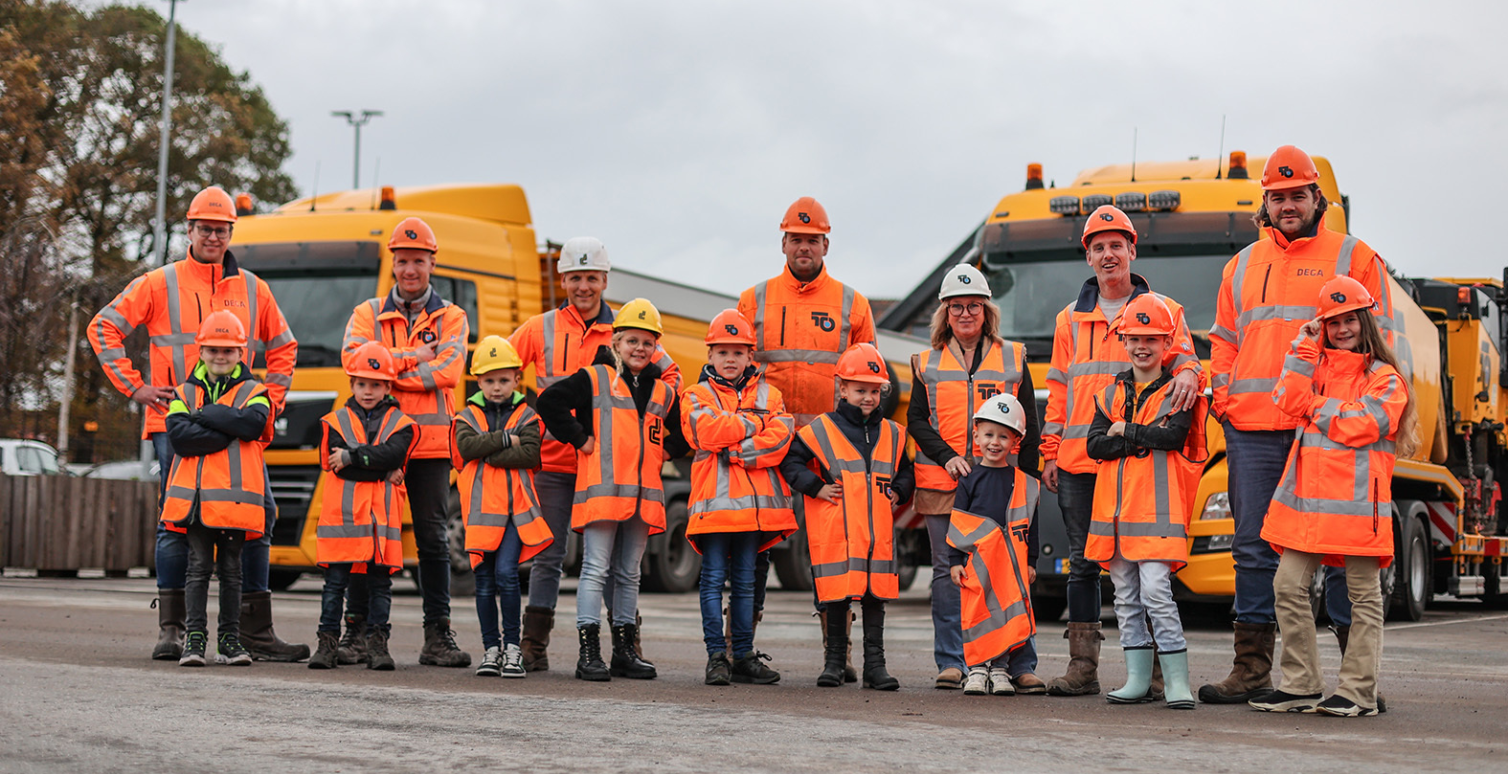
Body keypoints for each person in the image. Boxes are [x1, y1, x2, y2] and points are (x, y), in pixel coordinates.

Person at [1203, 146, 1397, 705]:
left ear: (1318, 198)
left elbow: (1376, 344)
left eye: (1298, 195)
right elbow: (1224, 339)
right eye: (1277, 196)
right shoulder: (1240, 265)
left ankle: (1353, 682)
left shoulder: (1355, 256)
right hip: (1254, 426)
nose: (1288, 205)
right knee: (1254, 547)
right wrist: (1223, 394)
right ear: (1266, 202)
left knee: (1339, 547)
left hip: (1325, 429)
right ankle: (1253, 669)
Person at [88, 186, 306, 663]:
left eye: (221, 229)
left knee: (257, 517)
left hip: (241, 427)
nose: (212, 235)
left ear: (231, 233)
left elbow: (285, 346)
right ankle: (174, 629)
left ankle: (252, 631)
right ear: (189, 230)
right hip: (177, 424)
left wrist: (271, 400)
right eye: (204, 228)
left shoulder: (254, 288)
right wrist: (136, 387)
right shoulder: (158, 282)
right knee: (176, 524)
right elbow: (102, 326)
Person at [1041, 204, 1202, 697]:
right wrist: (1049, 450)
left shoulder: (1165, 309)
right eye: (1098, 247)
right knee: (1083, 564)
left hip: (1142, 465)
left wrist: (1194, 371)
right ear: (1087, 256)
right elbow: (1059, 386)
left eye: (1116, 245)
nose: (1108, 255)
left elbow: (1188, 364)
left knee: (1149, 563)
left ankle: (1156, 675)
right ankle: (1083, 667)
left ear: (1132, 249)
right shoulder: (1069, 319)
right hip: (1080, 460)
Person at [509, 237, 680, 671]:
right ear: (562, 279)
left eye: (591, 278)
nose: (583, 286)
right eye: (575, 277)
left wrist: (651, 436)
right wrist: (535, 426)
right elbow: (503, 369)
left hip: (610, 471)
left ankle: (626, 644)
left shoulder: (626, 329)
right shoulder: (540, 327)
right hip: (556, 461)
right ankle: (535, 645)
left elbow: (671, 381)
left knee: (612, 562)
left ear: (604, 280)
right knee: (549, 555)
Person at [1249, 277, 1412, 717]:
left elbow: (1362, 423)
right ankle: (1301, 685)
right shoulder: (1315, 365)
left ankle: (1359, 692)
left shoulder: (1386, 379)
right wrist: (1302, 350)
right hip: (1307, 506)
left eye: (1349, 320)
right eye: (1332, 322)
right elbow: (1285, 398)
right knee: (1286, 587)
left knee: (1363, 596)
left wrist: (1315, 407)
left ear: (1365, 321)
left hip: (1358, 510)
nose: (1342, 329)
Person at [738, 196, 879, 682]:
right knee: (756, 546)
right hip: (767, 442)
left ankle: (835, 655)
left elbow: (868, 381)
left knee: (829, 549)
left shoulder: (851, 303)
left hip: (826, 448)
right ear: (783, 242)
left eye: (812, 240)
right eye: (796, 239)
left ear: (825, 244)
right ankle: (743, 649)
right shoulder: (753, 299)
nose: (804, 247)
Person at [340, 217, 471, 668]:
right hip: (375, 443)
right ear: (392, 263)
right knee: (366, 538)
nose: (410, 269)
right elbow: (353, 363)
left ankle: (437, 636)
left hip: (431, 448)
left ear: (432, 262)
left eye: (418, 261)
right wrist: (416, 356)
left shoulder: (453, 316)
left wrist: (385, 365)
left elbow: (449, 372)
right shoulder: (366, 312)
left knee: (432, 540)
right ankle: (357, 634)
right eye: (402, 261)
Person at [536, 298, 689, 682]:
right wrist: (579, 438)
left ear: (656, 347)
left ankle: (624, 651)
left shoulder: (661, 391)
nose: (640, 349)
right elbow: (549, 401)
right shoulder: (594, 377)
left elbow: (685, 433)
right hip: (603, 494)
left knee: (629, 574)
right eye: (632, 341)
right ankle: (589, 653)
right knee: (595, 570)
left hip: (643, 497)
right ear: (616, 341)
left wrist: (664, 453)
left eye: (648, 342)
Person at [908, 263, 1040, 690]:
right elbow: (916, 420)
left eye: (974, 306)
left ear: (987, 311)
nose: (965, 314)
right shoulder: (925, 362)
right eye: (957, 307)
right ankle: (954, 661)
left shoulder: (1013, 356)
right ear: (945, 312)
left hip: (1000, 482)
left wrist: (1030, 480)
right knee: (951, 573)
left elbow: (1029, 423)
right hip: (943, 486)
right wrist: (946, 456)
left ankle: (1019, 664)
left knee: (1010, 569)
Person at [1084, 294, 1207, 710]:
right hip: (1115, 518)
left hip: (1157, 512)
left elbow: (1173, 438)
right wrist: (1136, 436)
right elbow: (1095, 446)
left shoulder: (1179, 390)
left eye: (1152, 339)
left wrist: (1126, 430)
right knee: (1124, 596)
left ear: (1168, 342)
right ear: (1123, 339)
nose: (1142, 346)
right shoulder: (1109, 392)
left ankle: (1176, 683)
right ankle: (1138, 678)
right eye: (1135, 338)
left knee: (1156, 591)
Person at [780, 343, 912, 690]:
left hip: (877, 536)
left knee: (874, 600)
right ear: (842, 388)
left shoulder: (895, 433)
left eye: (873, 391)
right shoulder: (821, 430)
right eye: (860, 390)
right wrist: (815, 487)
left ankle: (875, 666)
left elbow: (907, 472)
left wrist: (900, 490)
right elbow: (790, 462)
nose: (868, 397)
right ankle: (835, 663)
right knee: (836, 598)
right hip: (837, 534)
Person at [682, 309, 798, 686]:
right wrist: (755, 422)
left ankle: (743, 654)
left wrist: (735, 451)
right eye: (722, 352)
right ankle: (717, 655)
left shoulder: (771, 394)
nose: (730, 359)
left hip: (756, 513)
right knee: (713, 581)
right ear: (710, 356)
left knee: (746, 583)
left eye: (738, 352)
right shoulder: (695, 394)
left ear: (751, 356)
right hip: (715, 511)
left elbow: (781, 440)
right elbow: (705, 433)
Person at [159, 312, 271, 667]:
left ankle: (229, 640)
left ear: (241, 353)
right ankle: (195, 639)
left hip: (235, 501)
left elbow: (254, 424)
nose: (220, 356)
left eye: (228, 350)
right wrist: (228, 426)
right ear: (201, 350)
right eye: (213, 350)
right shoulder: (183, 391)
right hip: (195, 502)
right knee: (198, 569)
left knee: (231, 571)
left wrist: (204, 415)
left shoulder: (256, 390)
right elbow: (179, 438)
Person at [307, 342, 416, 672]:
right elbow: (337, 464)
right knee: (334, 586)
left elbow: (392, 454)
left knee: (380, 586)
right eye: (362, 384)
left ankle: (377, 645)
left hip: (379, 523)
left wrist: (353, 456)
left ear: (387, 386)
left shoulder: (403, 424)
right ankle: (326, 644)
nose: (368, 391)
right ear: (352, 384)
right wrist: (381, 469)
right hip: (343, 522)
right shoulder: (333, 422)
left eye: (376, 385)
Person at [453, 336, 554, 678]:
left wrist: (487, 451)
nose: (497, 387)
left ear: (516, 379)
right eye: (490, 381)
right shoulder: (465, 416)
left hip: (515, 512)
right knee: (484, 580)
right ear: (478, 382)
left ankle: (513, 649)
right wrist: (503, 440)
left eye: (504, 380)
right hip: (481, 513)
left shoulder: (529, 414)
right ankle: (490, 650)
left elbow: (529, 454)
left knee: (506, 576)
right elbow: (465, 448)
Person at [946, 395, 1043, 697]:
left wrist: (1032, 562)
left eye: (1004, 436)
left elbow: (1032, 525)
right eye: (989, 434)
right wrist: (954, 560)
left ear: (1016, 441)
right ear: (976, 436)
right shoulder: (969, 479)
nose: (995, 442)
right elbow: (958, 524)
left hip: (1010, 565)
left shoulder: (1025, 482)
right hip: (976, 563)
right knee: (977, 613)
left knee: (1006, 615)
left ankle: (1000, 669)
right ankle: (976, 668)